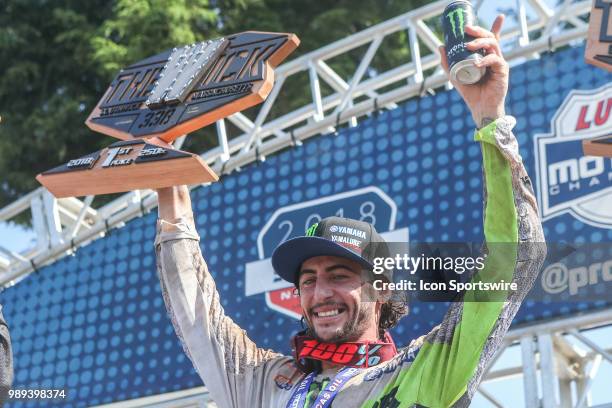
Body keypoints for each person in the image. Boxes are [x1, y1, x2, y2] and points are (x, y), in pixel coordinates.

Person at [154, 15, 546, 408]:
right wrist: (170, 184)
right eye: (307, 280)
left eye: (340, 275)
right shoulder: (264, 383)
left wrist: (490, 119)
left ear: (382, 288)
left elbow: (512, 259)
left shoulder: (424, 372)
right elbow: (196, 315)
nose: (320, 293)